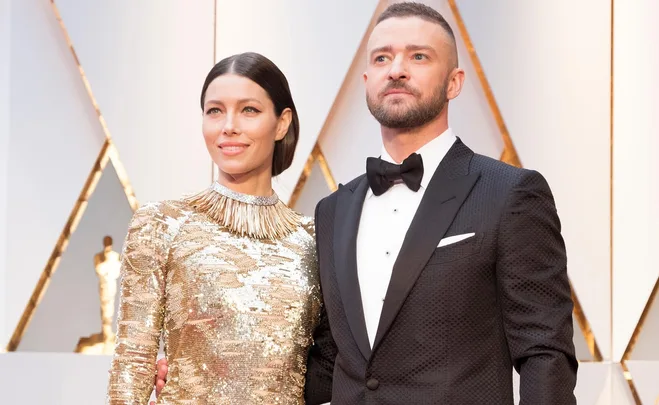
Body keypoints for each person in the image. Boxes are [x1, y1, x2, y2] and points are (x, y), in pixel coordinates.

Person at [155, 2, 578, 404]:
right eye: (381, 59)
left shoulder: (509, 193)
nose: (396, 70)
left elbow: (546, 355)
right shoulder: (334, 210)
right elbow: (327, 361)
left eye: (418, 57)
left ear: (454, 82)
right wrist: (203, 371)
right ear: (366, 83)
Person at [105, 51, 321, 404]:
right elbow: (133, 363)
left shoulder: (313, 240)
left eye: (248, 110)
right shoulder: (163, 224)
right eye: (214, 110)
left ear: (282, 123)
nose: (228, 126)